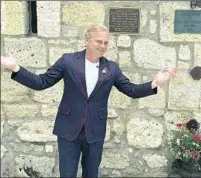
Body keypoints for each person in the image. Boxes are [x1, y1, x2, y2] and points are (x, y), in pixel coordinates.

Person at [1, 24, 178, 178]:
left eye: (106, 42)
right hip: (68, 129)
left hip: (95, 132)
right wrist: (15, 67)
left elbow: (131, 90)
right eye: (98, 41)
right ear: (87, 40)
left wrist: (155, 82)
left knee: (91, 174)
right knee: (67, 174)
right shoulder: (68, 61)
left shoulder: (111, 68)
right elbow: (42, 82)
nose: (102, 46)